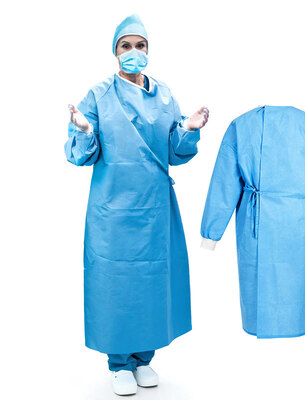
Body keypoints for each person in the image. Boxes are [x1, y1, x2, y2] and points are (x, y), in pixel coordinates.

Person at [65, 13, 209, 396]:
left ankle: (143, 359)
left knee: (151, 282)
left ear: (149, 50)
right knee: (116, 283)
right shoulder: (99, 96)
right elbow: (81, 155)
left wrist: (188, 129)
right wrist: (85, 130)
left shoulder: (165, 96)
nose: (134, 51)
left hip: (155, 210)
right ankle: (118, 363)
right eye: (126, 46)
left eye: (140, 45)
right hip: (113, 210)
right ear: (115, 52)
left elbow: (173, 152)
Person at [200, 106, 305, 338]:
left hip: (284, 223)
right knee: (263, 288)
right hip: (279, 219)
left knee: (292, 287)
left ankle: (292, 326)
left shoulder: (244, 125)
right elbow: (224, 182)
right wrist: (211, 232)